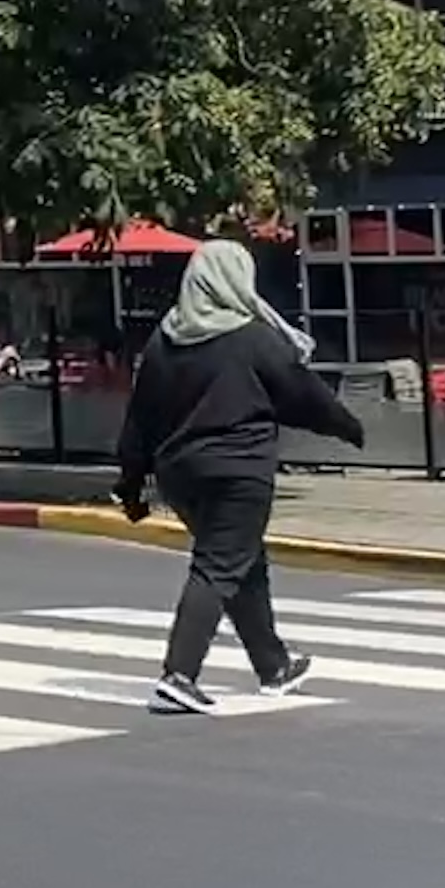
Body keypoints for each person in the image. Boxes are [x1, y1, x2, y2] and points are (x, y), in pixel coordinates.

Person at [114, 241, 365, 714]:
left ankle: (273, 666)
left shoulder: (164, 341)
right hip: (239, 470)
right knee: (218, 565)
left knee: (243, 562)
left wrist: (130, 482)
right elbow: (300, 392)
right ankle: (179, 675)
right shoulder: (250, 337)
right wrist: (348, 426)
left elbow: (139, 419)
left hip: (181, 475)